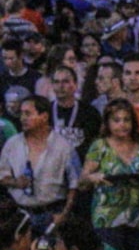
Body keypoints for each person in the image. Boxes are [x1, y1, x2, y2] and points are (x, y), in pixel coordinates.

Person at [80, 97, 139, 250]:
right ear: (107, 123)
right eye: (117, 120)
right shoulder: (100, 146)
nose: (122, 124)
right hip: (107, 218)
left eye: (127, 120)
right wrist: (94, 178)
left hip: (138, 217)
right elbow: (82, 179)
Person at [0, 95, 81, 224]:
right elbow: (2, 176)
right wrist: (16, 182)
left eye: (28, 114)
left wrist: (64, 214)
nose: (23, 118)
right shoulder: (12, 144)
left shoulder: (63, 146)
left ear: (44, 116)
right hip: (19, 214)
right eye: (21, 114)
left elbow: (75, 183)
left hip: (52, 213)